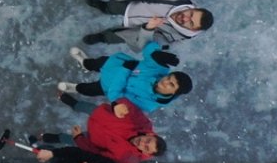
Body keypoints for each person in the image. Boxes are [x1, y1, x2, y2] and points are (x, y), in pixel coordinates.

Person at [58, 41, 193, 113]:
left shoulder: (149, 104)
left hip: (108, 86)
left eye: (172, 85)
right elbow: (148, 45)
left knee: (88, 89)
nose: (166, 81)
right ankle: (85, 63)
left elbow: (117, 97)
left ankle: (75, 88)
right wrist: (155, 53)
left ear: (175, 93)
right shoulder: (160, 69)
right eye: (169, 78)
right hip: (113, 65)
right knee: (94, 63)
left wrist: (125, 70)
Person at [37, 98, 166, 163]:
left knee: (69, 139)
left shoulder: (128, 158)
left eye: (146, 148)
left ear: (146, 153)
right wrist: (119, 106)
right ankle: (69, 100)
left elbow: (97, 154)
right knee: (84, 106)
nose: (143, 143)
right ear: (151, 135)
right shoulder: (143, 124)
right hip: (101, 114)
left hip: (93, 138)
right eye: (147, 141)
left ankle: (49, 137)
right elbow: (129, 107)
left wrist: (79, 138)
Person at [82, 0, 213, 49]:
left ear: (194, 30)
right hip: (132, 5)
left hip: (135, 32)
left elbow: (144, 45)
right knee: (112, 6)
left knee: (115, 37)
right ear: (194, 8)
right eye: (190, 15)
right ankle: (104, 7)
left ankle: (101, 37)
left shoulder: (175, 37)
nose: (184, 18)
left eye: (190, 23)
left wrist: (148, 29)